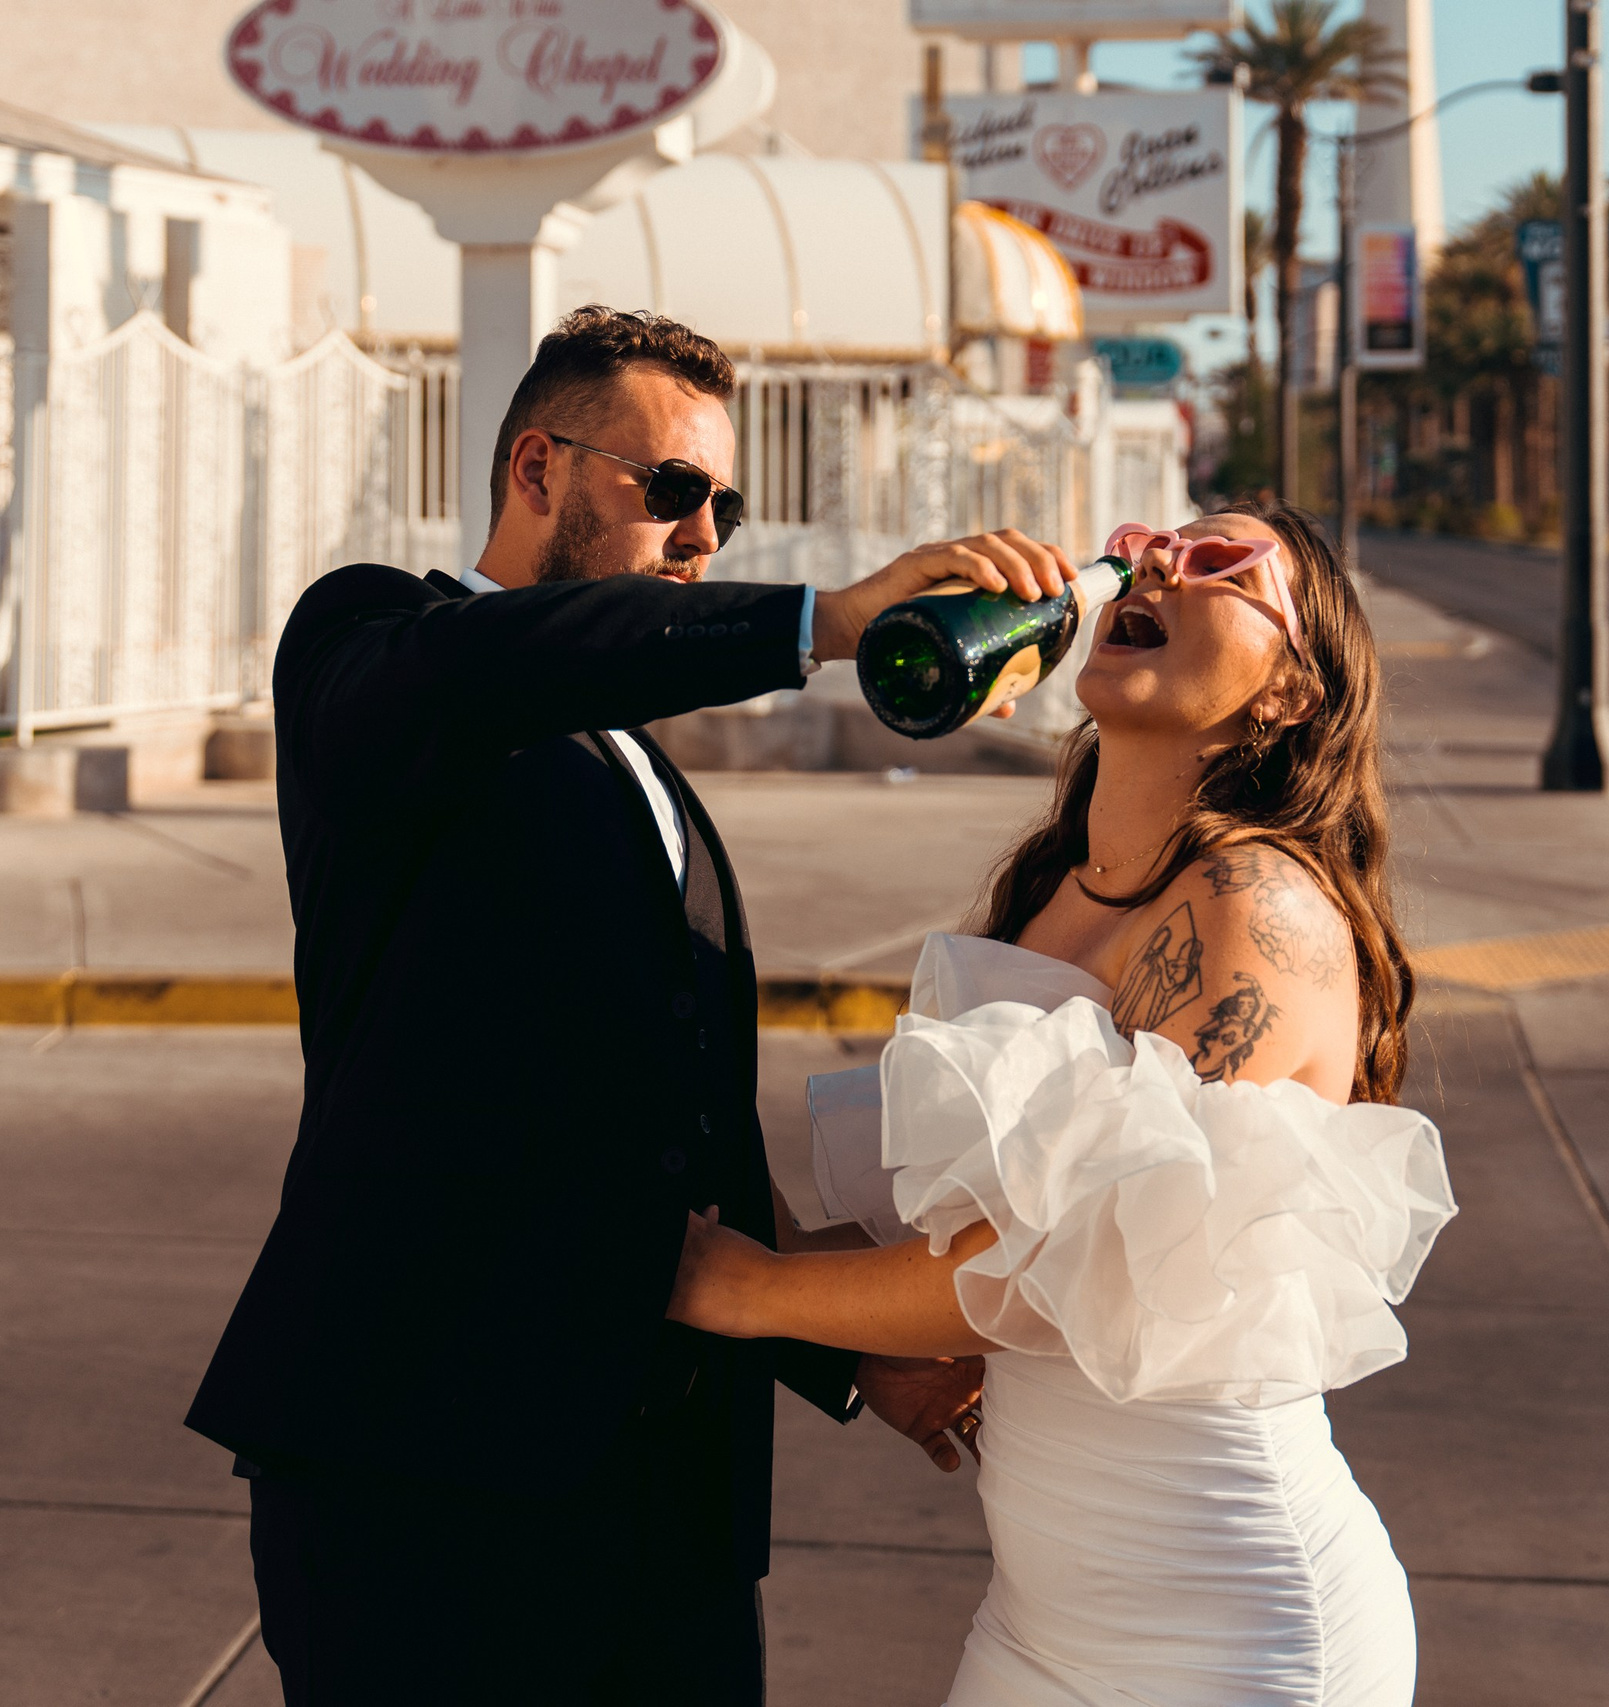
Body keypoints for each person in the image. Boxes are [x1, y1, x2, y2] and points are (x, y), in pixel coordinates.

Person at [184, 305, 1077, 1705]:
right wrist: (826, 620)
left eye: (724, 500)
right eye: (669, 490)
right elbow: (523, 657)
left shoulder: (646, 776)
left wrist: (843, 1342)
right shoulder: (376, 646)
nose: (704, 532)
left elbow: (675, 1135)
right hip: (423, 1477)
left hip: (664, 1504)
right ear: (537, 469)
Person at [669, 499, 1458, 1706]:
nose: (1158, 567)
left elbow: (1074, 1262)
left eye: (1220, 566)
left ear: (1291, 692)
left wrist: (750, 1292)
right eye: (1150, 545)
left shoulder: (1254, 902)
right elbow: (980, 1242)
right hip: (1044, 1621)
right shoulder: (1059, 889)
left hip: (1233, 1628)